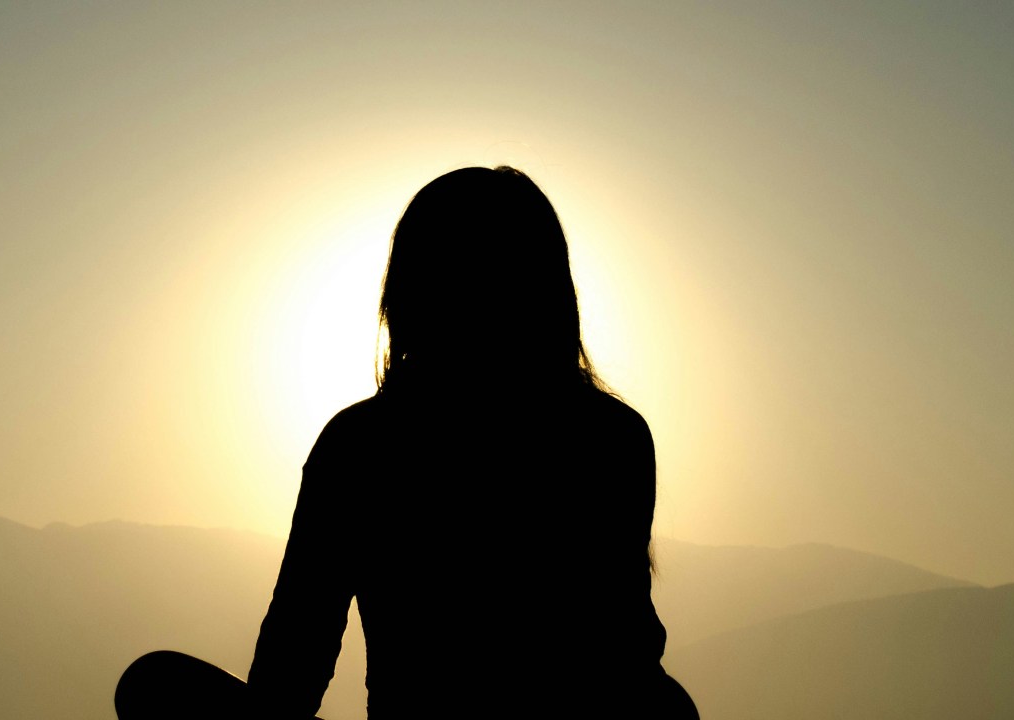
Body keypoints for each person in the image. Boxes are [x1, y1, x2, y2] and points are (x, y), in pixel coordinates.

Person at [116, 166, 698, 719]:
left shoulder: (359, 446)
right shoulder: (611, 435)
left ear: (407, 294)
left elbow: (291, 669)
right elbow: (624, 651)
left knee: (154, 684)